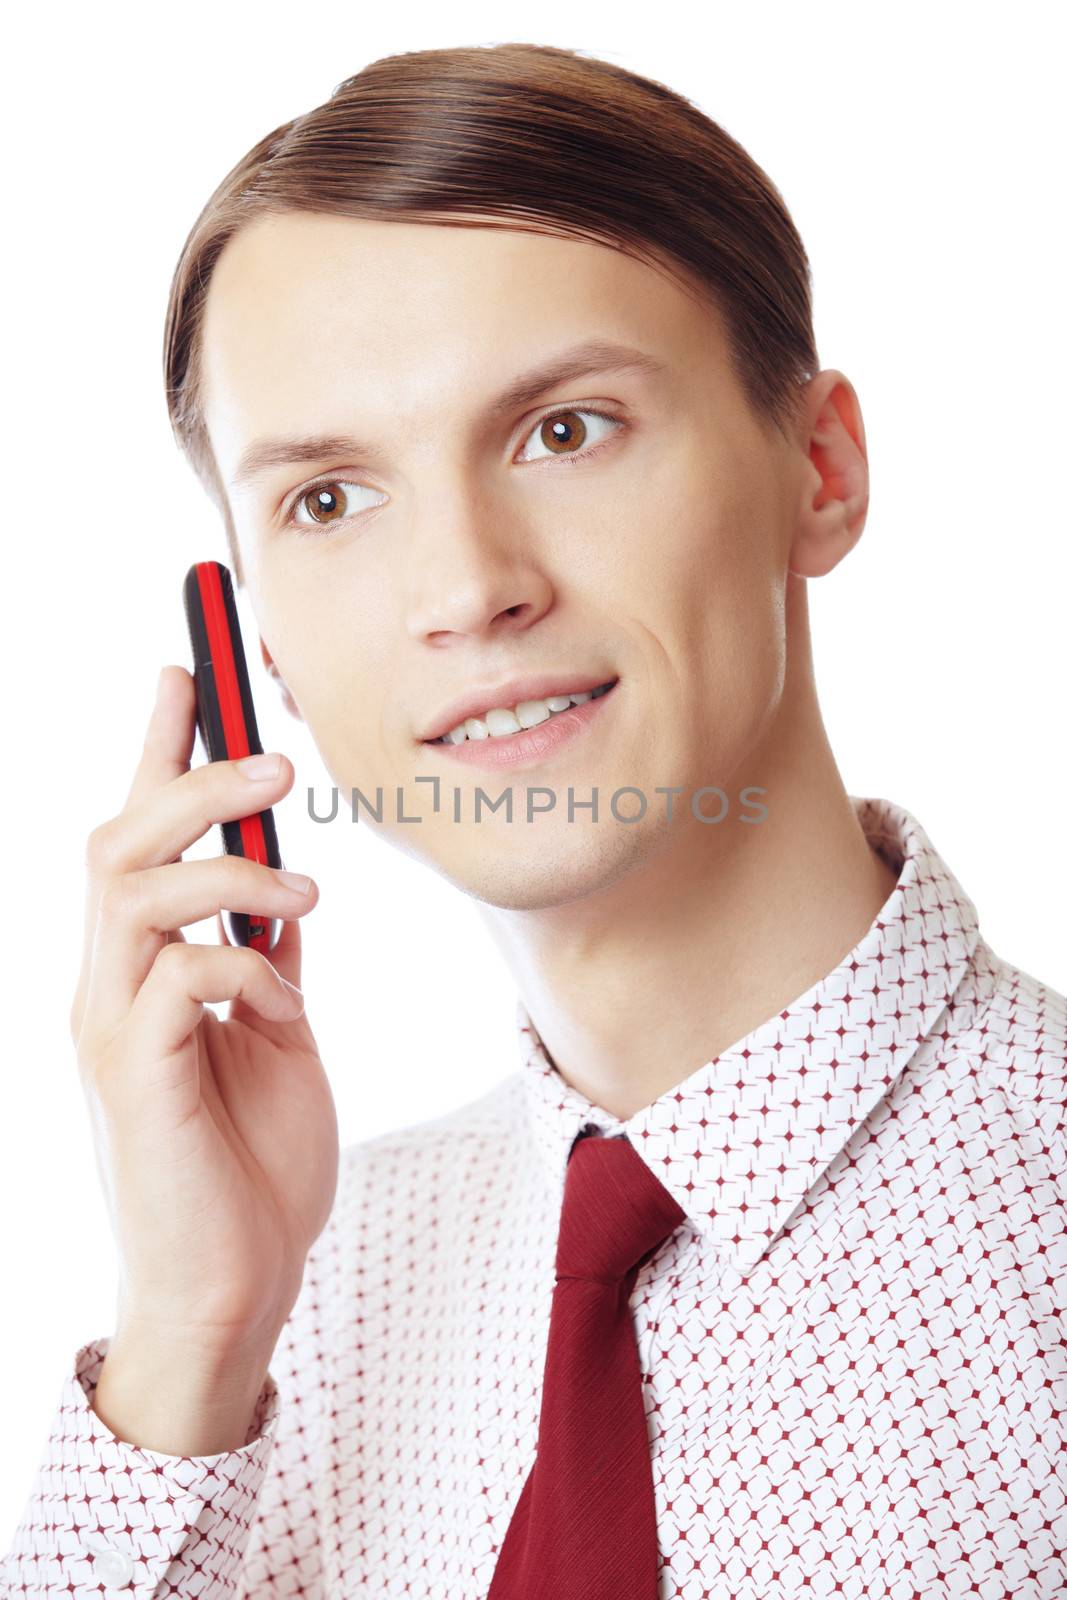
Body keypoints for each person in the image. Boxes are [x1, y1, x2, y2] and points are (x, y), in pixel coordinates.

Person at [4, 39, 1065, 1600]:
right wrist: (193, 1341)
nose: (466, 587)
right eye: (329, 499)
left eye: (565, 429)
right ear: (266, 652)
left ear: (821, 467)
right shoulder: (293, 1307)